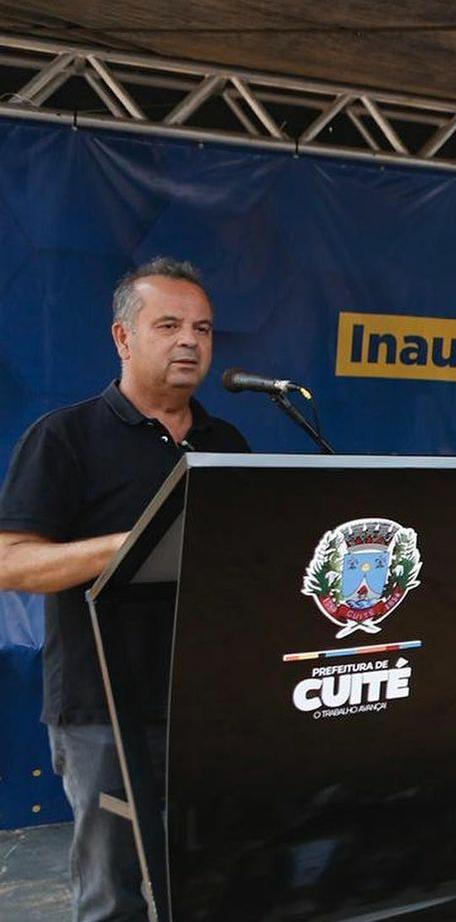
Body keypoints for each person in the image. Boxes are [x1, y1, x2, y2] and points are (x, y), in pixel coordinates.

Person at [0, 257, 249, 922]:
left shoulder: (226, 442)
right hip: (103, 706)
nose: (189, 341)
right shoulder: (65, 437)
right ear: (123, 337)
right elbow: (10, 562)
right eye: (168, 325)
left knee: (213, 885)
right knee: (114, 894)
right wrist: (129, 545)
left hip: (208, 705)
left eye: (202, 328)